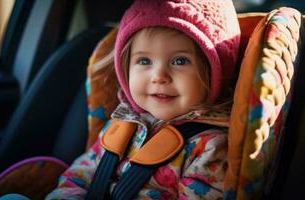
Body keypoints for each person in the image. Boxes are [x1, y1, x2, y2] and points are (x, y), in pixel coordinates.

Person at [45, 0, 240, 199]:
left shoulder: (210, 148)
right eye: (144, 61)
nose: (159, 75)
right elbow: (78, 176)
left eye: (180, 61)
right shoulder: (120, 125)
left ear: (213, 73)